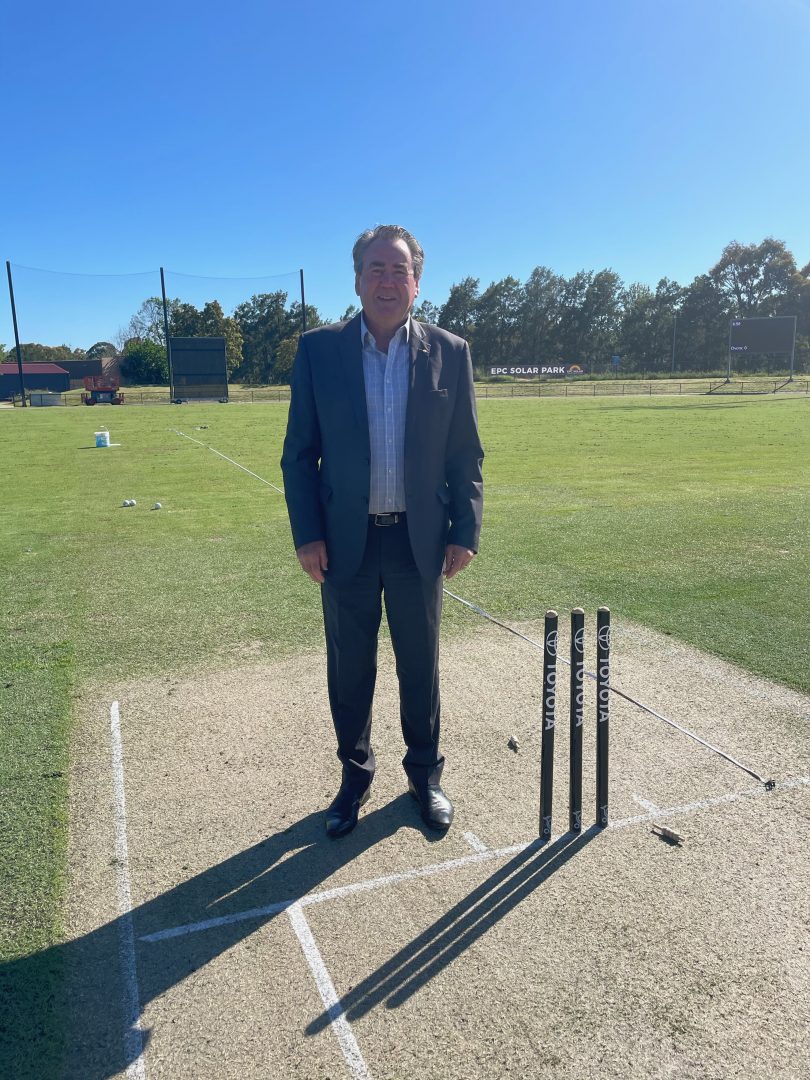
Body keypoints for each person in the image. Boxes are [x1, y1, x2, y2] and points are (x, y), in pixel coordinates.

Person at [281, 225, 483, 837]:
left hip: (418, 541)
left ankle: (425, 776)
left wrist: (464, 530)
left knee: (420, 667)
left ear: (417, 283)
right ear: (357, 279)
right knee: (350, 669)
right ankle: (355, 777)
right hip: (346, 542)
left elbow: (465, 454)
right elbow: (299, 454)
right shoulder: (319, 351)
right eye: (376, 269)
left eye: (399, 270)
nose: (387, 281)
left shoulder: (451, 351)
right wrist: (308, 535)